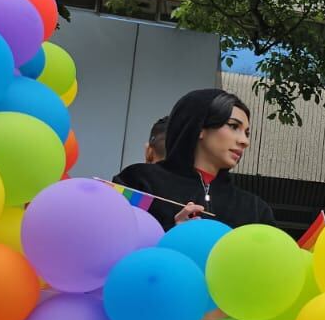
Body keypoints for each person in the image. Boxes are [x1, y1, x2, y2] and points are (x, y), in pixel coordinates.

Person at [114, 89, 276, 230]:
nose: (244, 141)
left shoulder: (255, 210)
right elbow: (116, 237)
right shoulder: (138, 182)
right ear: (199, 128)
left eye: (247, 133)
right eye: (233, 126)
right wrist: (173, 232)